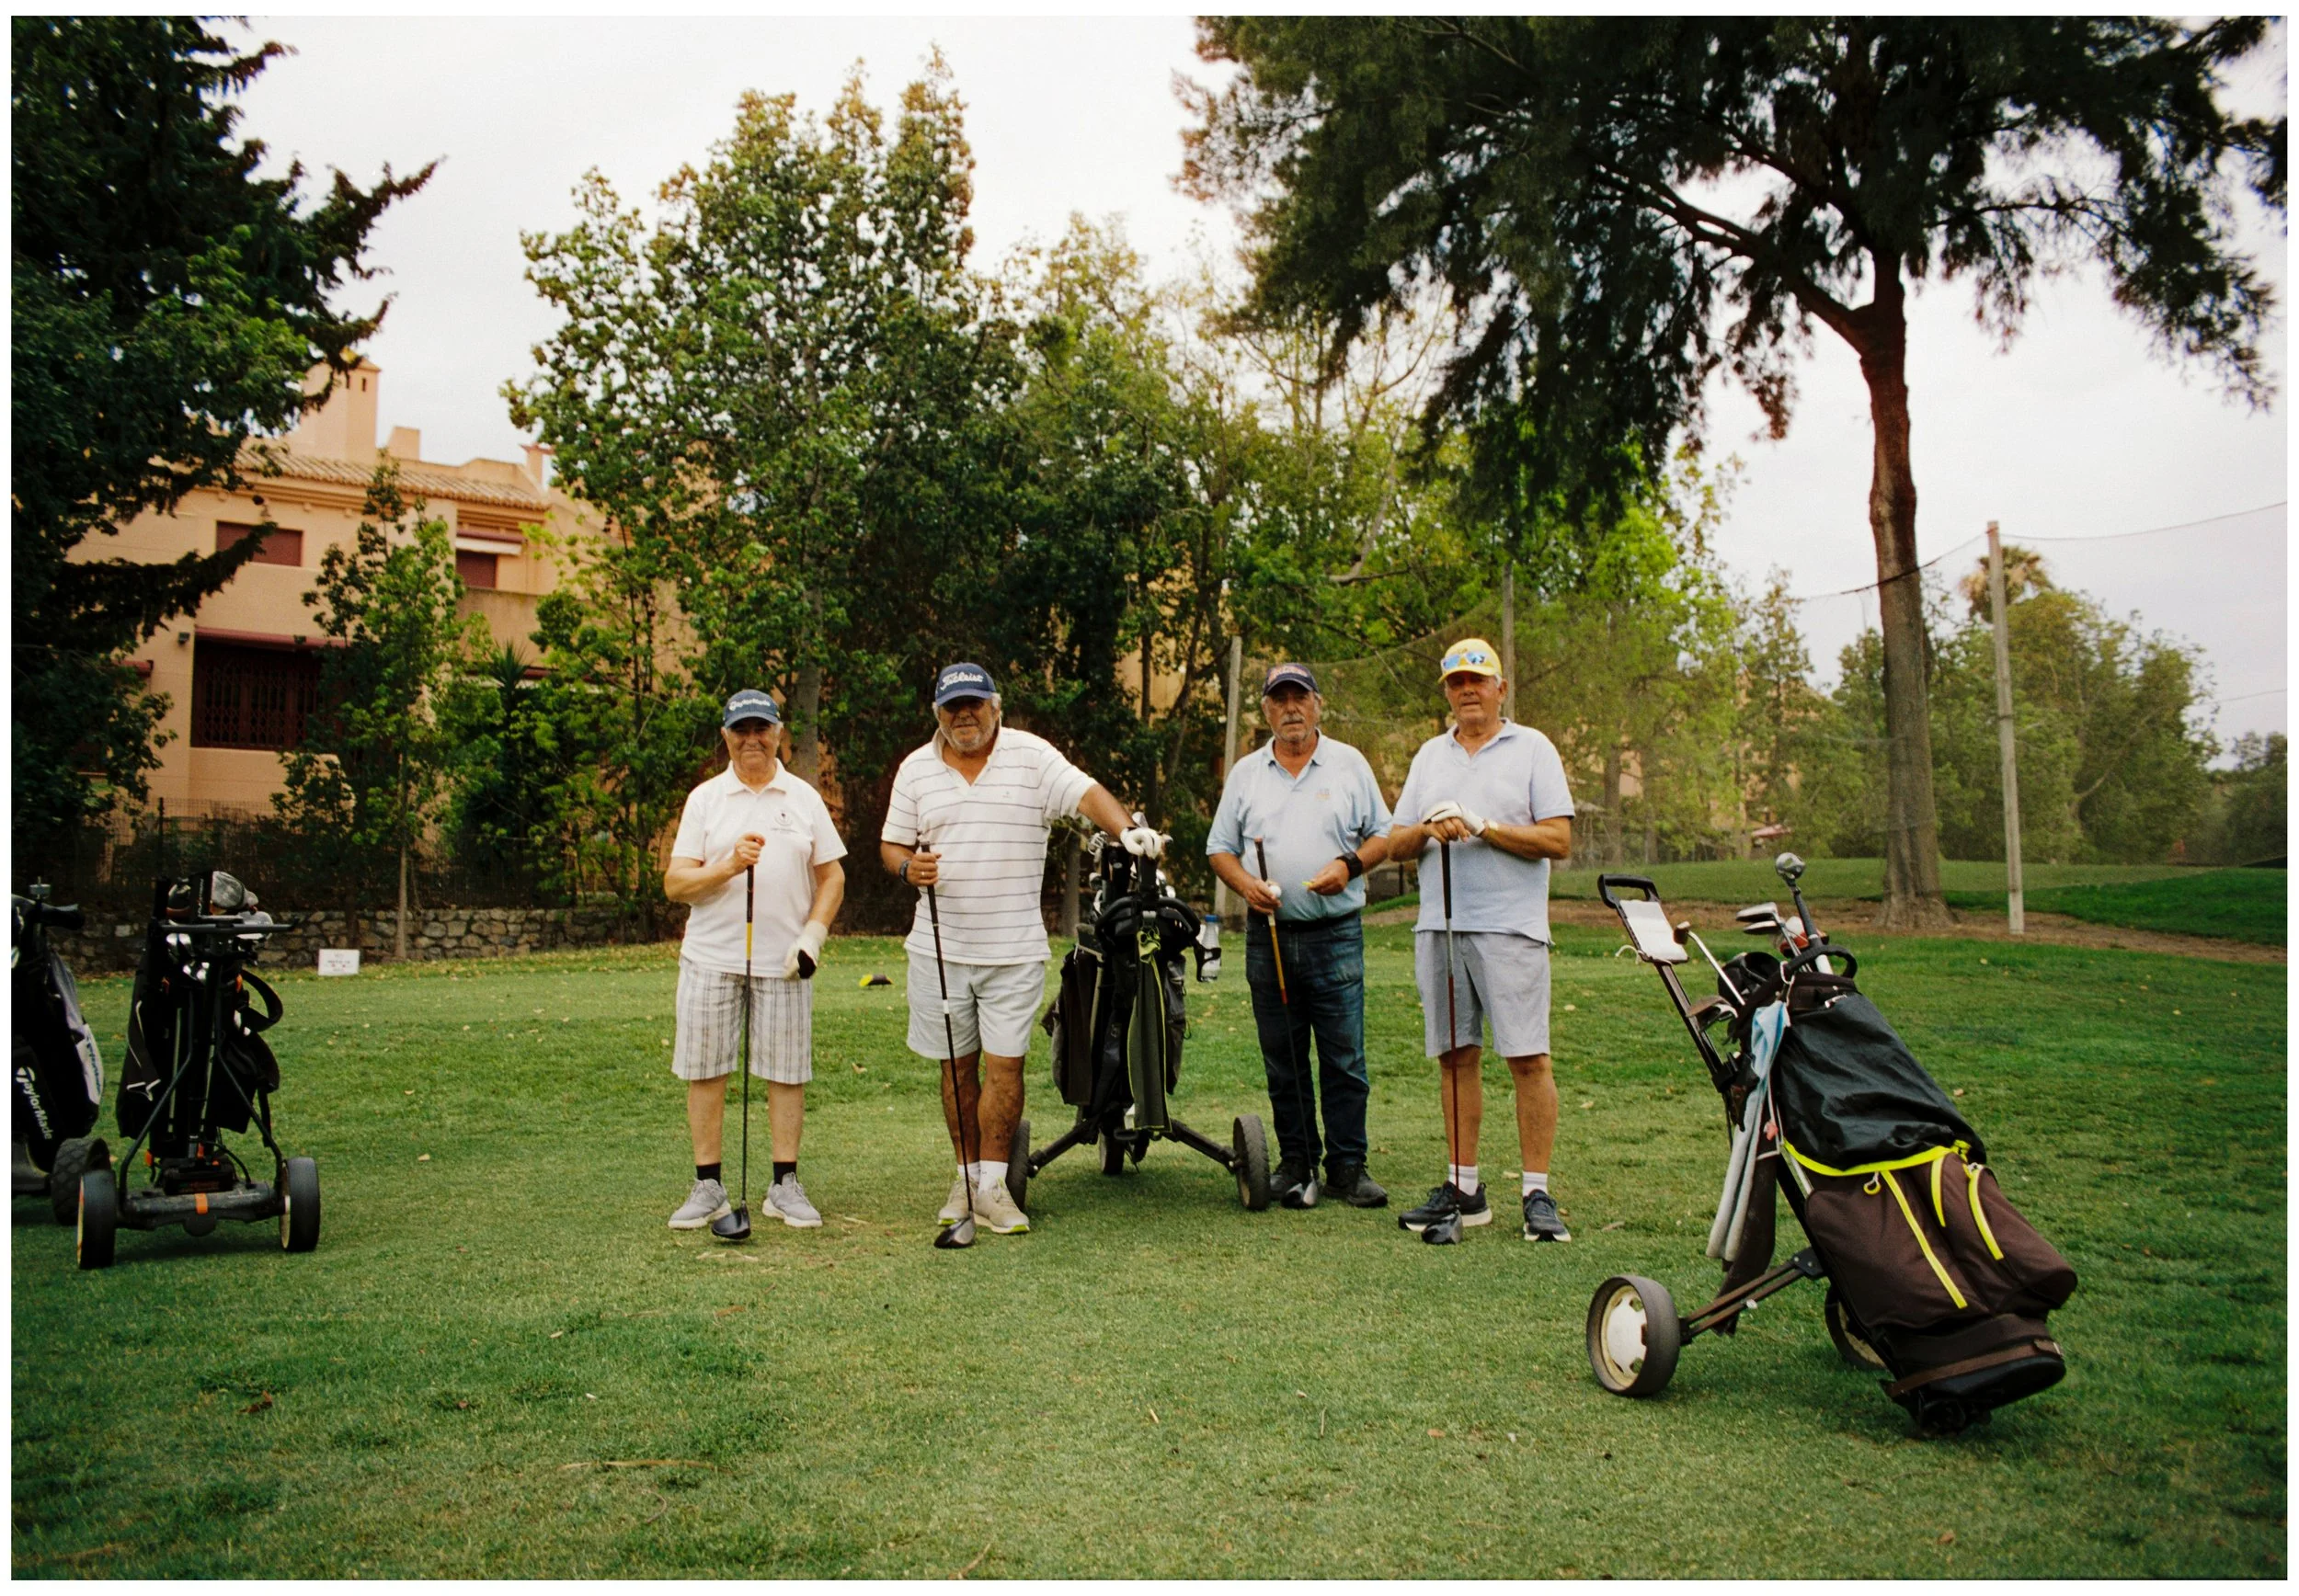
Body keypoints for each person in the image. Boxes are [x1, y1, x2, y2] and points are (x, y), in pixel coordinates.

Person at [881, 662, 1159, 1237]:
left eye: (975, 705)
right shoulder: (915, 769)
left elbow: (1086, 793)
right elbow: (890, 844)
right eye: (953, 707)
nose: (965, 716)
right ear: (938, 713)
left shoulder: (1031, 757)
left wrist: (1127, 830)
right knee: (956, 1069)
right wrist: (909, 866)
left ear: (996, 707)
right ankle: (965, 1175)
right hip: (940, 949)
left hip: (1012, 949)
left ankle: (993, 1186)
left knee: (1005, 1067)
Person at [1386, 638, 1578, 1242]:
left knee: (1527, 1057)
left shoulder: (1534, 749)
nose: (1467, 690)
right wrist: (1427, 829)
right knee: (1454, 1057)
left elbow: (1557, 840)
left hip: (1511, 926)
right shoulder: (1429, 755)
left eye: (1478, 679)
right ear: (1446, 692)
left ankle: (1537, 1193)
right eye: (1456, 682)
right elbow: (1393, 843)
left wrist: (1483, 828)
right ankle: (1464, 1189)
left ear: (1501, 688)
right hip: (1439, 926)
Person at [1206, 663, 1392, 1209]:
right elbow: (1220, 849)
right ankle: (1295, 1162)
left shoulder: (1350, 764)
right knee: (1283, 1055)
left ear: (1317, 705)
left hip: (1336, 934)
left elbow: (1384, 835)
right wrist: (1245, 886)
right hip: (1270, 937)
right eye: (1280, 699)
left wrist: (1350, 866)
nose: (1291, 708)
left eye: (1300, 698)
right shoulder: (1246, 773)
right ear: (1266, 710)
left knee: (1344, 1058)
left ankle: (1347, 1167)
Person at [661, 689, 847, 1231]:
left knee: (787, 1072)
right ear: (726, 738)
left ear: (779, 733)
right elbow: (676, 883)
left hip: (785, 961)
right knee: (706, 1067)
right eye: (740, 730)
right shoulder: (706, 800)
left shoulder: (804, 798)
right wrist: (726, 866)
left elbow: (832, 875)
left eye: (761, 729)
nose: (752, 740)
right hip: (711, 957)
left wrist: (813, 935)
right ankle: (707, 1185)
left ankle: (784, 1185)